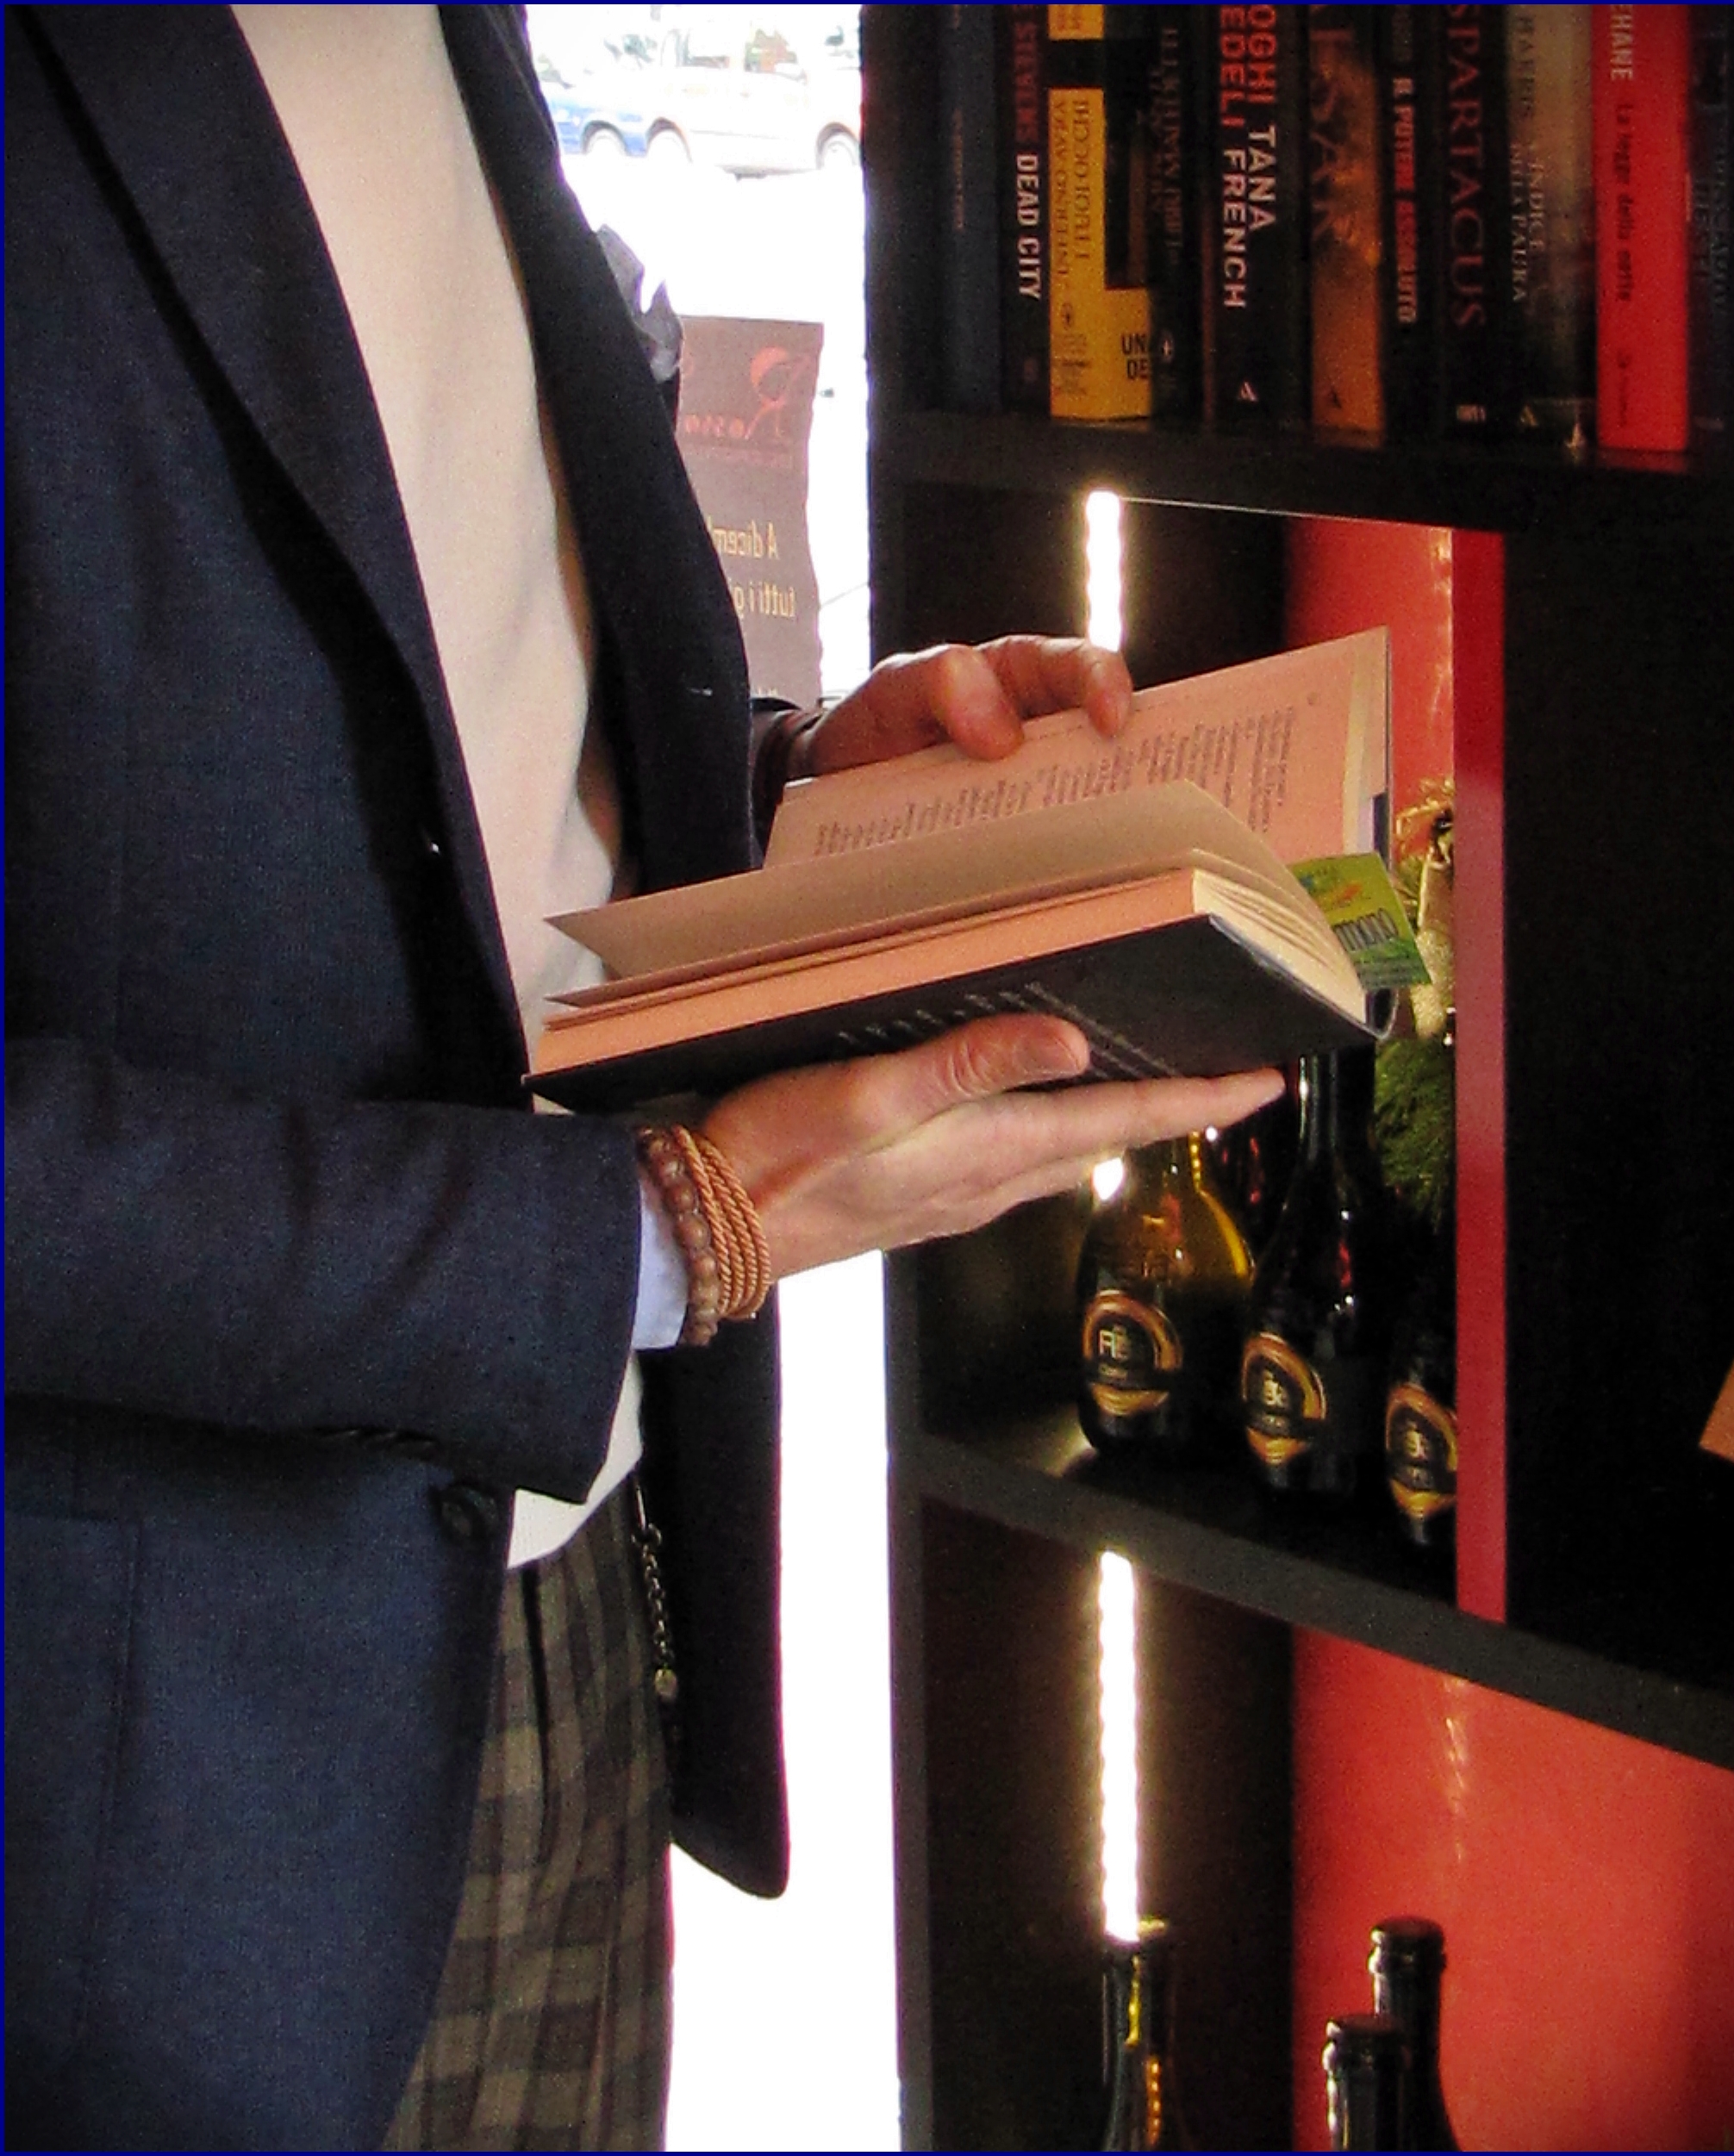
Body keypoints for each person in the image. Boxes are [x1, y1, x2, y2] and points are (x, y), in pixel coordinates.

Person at [3, 9, 1283, 2150]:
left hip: (575, 1604)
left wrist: (791, 811)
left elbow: (446, 744)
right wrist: (634, 1239)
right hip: (124, 1790)